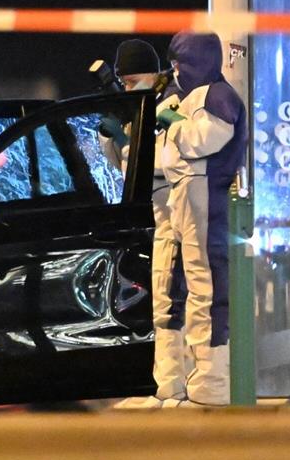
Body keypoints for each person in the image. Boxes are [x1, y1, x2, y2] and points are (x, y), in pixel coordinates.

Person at [153, 31, 247, 407]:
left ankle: (212, 381)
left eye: (180, 63)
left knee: (206, 286)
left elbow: (201, 140)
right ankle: (186, 378)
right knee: (179, 285)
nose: (175, 71)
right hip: (187, 193)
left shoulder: (218, 96)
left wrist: (173, 122)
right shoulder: (196, 94)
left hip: (205, 193)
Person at [104, 40, 190, 409]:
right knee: (158, 301)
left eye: (132, 80)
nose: (128, 88)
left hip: (173, 215)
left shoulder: (171, 104)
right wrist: (113, 137)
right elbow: (122, 168)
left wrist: (127, 141)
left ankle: (173, 387)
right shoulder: (147, 106)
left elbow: (161, 160)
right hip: (156, 218)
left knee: (170, 301)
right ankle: (164, 384)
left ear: (154, 75)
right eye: (123, 82)